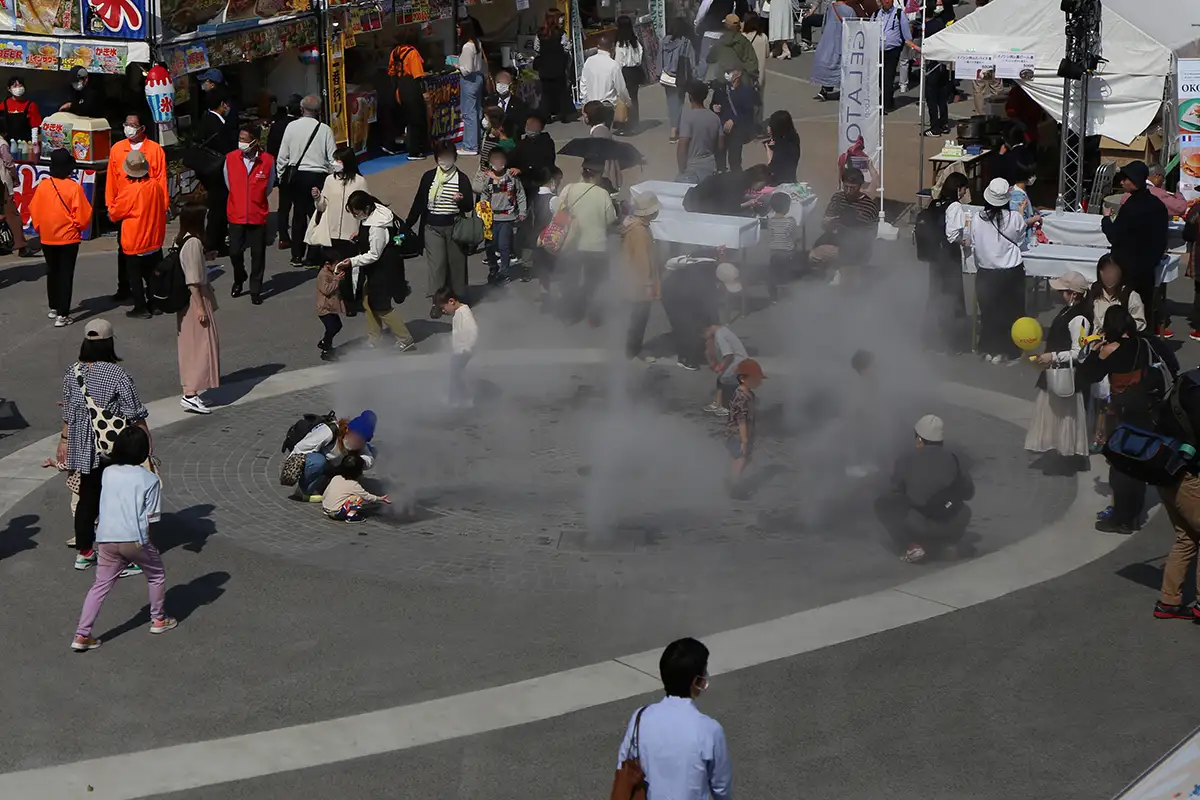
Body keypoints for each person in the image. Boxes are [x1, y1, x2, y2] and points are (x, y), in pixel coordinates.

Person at [70, 426, 175, 652]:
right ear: (144, 451)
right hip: (134, 539)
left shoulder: (108, 473)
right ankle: (158, 619)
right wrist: (149, 543)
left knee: (100, 586)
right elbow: (152, 517)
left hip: (106, 539)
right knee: (156, 575)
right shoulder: (149, 480)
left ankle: (82, 634)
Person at [58, 319, 151, 570]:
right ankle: (124, 557)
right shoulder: (118, 374)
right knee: (117, 499)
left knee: (87, 498)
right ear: (109, 343)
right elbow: (134, 412)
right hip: (112, 447)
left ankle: (85, 552)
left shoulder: (72, 372)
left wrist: (64, 440)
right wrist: (145, 444)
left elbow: (68, 412)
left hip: (82, 446)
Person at [1079, 305, 1178, 537]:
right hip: (1150, 412)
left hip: (1123, 415)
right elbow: (1172, 365)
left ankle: (1120, 518)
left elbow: (1085, 377)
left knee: (1121, 467)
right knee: (1139, 464)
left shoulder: (1111, 350)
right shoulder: (1149, 342)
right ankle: (1133, 516)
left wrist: (1096, 353)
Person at [615, 637, 731, 800]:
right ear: (696, 681)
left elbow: (623, 763)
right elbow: (721, 788)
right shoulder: (710, 730)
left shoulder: (640, 717)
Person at [876, 415, 975, 563]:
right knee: (962, 508)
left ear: (919, 440)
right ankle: (949, 544)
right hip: (954, 522)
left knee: (882, 504)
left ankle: (912, 546)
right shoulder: (954, 459)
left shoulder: (905, 459)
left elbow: (893, 493)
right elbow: (968, 492)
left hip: (920, 525)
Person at [1024, 270, 1092, 460]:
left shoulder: (1080, 319)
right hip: (1056, 374)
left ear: (1074, 294)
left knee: (1065, 417)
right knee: (1054, 413)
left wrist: (1052, 356)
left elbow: (1079, 353)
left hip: (1067, 377)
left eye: (1063, 291)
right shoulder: (1068, 311)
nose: (1059, 294)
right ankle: (1056, 450)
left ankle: (1066, 454)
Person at [338, 191, 416, 351]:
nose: (355, 216)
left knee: (381, 306)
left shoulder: (376, 226)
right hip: (382, 267)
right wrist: (360, 237)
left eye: (357, 212)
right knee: (368, 301)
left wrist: (352, 262)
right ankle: (375, 337)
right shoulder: (378, 212)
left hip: (383, 269)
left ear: (366, 208)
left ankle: (405, 338)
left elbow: (374, 254)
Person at [406, 143, 475, 315]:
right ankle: (438, 302)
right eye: (441, 156)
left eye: (448, 156)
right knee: (437, 266)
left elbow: (468, 207)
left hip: (455, 227)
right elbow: (419, 202)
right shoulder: (429, 177)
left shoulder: (462, 178)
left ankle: (458, 298)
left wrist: (461, 200)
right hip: (432, 228)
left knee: (456, 264)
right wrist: (407, 224)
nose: (445, 160)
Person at [107, 112, 167, 304]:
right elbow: (111, 181)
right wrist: (111, 206)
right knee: (124, 253)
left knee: (153, 254)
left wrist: (161, 207)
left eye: (133, 124)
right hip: (125, 210)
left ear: (142, 128)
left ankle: (155, 291)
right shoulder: (117, 149)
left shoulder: (155, 150)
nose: (129, 128)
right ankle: (124, 288)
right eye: (126, 123)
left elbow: (161, 181)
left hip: (148, 209)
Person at [971, 178, 1033, 363]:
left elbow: (974, 240)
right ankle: (1008, 350)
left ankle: (989, 348)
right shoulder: (1014, 218)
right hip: (1010, 272)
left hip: (986, 272)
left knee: (989, 312)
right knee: (1011, 313)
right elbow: (1021, 239)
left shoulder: (977, 218)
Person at [166, 202, 219, 415]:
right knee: (201, 347)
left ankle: (190, 390)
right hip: (195, 300)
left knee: (191, 347)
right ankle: (191, 394)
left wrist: (206, 258)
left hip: (185, 301)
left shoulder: (182, 239)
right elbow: (193, 280)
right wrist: (200, 308)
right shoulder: (194, 242)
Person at [1103, 160, 1169, 330]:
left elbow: (1115, 236)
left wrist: (1106, 220)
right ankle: (1144, 343)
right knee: (1144, 307)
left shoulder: (1130, 207)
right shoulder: (1158, 205)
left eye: (1125, 179)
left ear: (1134, 181)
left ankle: (1125, 344)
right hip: (1147, 268)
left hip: (1126, 267)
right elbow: (1162, 238)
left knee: (1125, 307)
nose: (1122, 182)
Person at [29, 149, 92, 327]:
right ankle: (63, 314)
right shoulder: (74, 188)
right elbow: (83, 215)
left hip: (47, 237)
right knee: (66, 274)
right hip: (68, 237)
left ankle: (54, 307)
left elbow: (34, 209)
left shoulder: (43, 185)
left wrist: (40, 228)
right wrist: (77, 227)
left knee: (52, 272)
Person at [277, 95, 336, 267]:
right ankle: (313, 254)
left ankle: (296, 255)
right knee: (317, 215)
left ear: (302, 109)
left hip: (297, 175)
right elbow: (332, 158)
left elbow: (283, 156)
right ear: (318, 111)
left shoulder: (291, 127)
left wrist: (282, 176)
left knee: (298, 215)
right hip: (318, 175)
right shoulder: (324, 129)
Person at [558, 159, 617, 324]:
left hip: (572, 244)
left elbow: (558, 213)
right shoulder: (602, 193)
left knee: (571, 279)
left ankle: (570, 315)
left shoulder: (569, 189)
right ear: (598, 174)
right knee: (596, 282)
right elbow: (610, 219)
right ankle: (593, 316)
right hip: (596, 245)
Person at [314, 146, 370, 312]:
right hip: (331, 233)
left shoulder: (360, 181)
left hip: (350, 234)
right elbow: (322, 206)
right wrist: (317, 197)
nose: (335, 164)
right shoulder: (329, 180)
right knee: (332, 268)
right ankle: (334, 302)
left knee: (350, 270)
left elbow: (367, 207)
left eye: (338, 160)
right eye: (334, 160)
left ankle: (351, 301)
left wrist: (361, 230)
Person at [224, 126, 275, 305]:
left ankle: (255, 289)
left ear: (255, 141)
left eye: (245, 139)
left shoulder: (268, 161)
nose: (242, 143)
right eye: (240, 138)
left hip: (257, 214)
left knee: (258, 254)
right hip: (236, 213)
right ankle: (240, 277)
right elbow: (228, 183)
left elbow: (268, 186)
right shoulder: (230, 158)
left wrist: (255, 199)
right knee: (234, 252)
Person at [922, 172, 969, 352]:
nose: (965, 193)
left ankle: (931, 337)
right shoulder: (955, 206)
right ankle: (953, 341)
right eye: (964, 189)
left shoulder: (935, 203)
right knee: (953, 296)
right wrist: (964, 241)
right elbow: (952, 235)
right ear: (958, 189)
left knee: (935, 295)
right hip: (949, 258)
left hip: (935, 257)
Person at [808, 165, 878, 281]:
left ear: (860, 186)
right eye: (846, 187)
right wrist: (827, 222)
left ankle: (844, 278)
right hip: (835, 237)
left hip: (856, 245)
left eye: (852, 187)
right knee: (814, 256)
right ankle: (823, 282)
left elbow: (870, 235)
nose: (849, 191)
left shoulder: (869, 206)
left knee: (844, 264)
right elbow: (824, 225)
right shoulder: (838, 198)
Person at [289, 411, 377, 501]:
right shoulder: (329, 432)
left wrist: (359, 461)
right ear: (348, 430)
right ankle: (304, 490)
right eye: (355, 437)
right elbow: (300, 448)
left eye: (361, 440)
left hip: (336, 468)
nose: (356, 441)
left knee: (373, 450)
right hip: (321, 465)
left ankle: (335, 484)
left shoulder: (361, 442)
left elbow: (369, 458)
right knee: (317, 461)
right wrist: (291, 470)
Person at [192, 93, 238, 256]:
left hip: (209, 168)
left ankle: (215, 241)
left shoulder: (205, 119)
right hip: (216, 170)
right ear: (222, 104)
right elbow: (225, 146)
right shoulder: (216, 123)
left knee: (217, 207)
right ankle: (213, 242)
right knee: (218, 208)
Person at [619, 192, 661, 360]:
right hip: (639, 283)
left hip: (631, 279)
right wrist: (647, 284)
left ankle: (632, 349)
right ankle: (633, 351)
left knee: (635, 318)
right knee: (639, 318)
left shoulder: (636, 226)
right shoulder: (640, 231)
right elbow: (642, 260)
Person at [661, 254, 722, 370]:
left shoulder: (699, 267)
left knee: (682, 325)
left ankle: (687, 354)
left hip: (670, 290)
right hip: (677, 295)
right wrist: (715, 323)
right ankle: (689, 359)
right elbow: (710, 308)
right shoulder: (708, 283)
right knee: (691, 326)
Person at [480, 147, 526, 285]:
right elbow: (483, 193)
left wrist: (522, 211)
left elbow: (520, 194)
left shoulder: (511, 177)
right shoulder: (487, 178)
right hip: (491, 218)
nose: (498, 162)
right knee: (490, 246)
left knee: (504, 246)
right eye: (495, 159)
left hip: (507, 218)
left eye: (500, 159)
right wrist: (483, 203)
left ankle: (504, 272)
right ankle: (493, 269)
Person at [387, 36, 431, 159]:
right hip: (411, 87)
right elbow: (418, 76)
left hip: (399, 87)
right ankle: (415, 151)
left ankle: (403, 146)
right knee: (416, 120)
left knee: (407, 119)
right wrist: (424, 93)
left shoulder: (395, 52)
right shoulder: (412, 53)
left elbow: (391, 73)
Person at [267, 95, 301, 251]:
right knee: (302, 205)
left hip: (284, 169)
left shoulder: (278, 126)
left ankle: (284, 237)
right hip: (301, 169)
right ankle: (302, 236)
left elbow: (271, 149)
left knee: (284, 206)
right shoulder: (302, 126)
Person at [873, 0, 919, 113]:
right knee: (879, 78)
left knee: (888, 78)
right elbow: (869, 29)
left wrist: (915, 48)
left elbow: (907, 36)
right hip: (878, 51)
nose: (887, 1)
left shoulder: (899, 14)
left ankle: (884, 105)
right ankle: (888, 100)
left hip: (892, 51)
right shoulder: (876, 14)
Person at [726, 358, 764, 495]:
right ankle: (734, 486)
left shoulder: (749, 394)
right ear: (743, 379)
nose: (759, 382)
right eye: (756, 379)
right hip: (739, 434)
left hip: (744, 433)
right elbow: (741, 420)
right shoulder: (741, 397)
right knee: (741, 458)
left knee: (742, 458)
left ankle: (732, 480)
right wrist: (744, 440)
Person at [436, 288, 479, 407]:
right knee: (454, 374)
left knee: (456, 375)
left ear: (451, 301)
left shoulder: (464, 313)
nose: (444, 310)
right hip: (459, 350)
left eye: (443, 307)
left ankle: (463, 399)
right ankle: (455, 398)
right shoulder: (459, 312)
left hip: (463, 351)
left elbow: (473, 331)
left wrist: (467, 347)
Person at [812, 1, 860, 101]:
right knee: (843, 65)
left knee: (831, 63)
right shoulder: (849, 10)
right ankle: (846, 90)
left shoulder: (831, 6)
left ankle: (825, 89)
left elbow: (825, 22)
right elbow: (854, 26)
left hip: (829, 38)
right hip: (842, 39)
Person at [676, 81, 723, 184]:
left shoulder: (687, 117)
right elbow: (720, 146)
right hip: (711, 167)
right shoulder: (715, 118)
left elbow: (682, 146)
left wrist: (681, 171)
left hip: (692, 170)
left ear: (690, 97)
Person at [711, 67, 757, 172]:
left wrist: (734, 120)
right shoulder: (721, 90)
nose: (728, 74)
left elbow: (749, 114)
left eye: (730, 71)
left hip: (737, 131)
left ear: (739, 73)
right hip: (721, 130)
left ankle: (736, 181)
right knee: (719, 157)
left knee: (735, 160)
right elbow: (713, 104)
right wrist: (714, 107)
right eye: (726, 72)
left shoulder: (746, 92)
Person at [322, 454, 390, 523]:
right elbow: (367, 497)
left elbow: (326, 493)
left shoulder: (336, 478)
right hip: (337, 513)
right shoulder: (354, 485)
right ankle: (351, 516)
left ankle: (330, 509)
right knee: (357, 498)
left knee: (346, 496)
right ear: (358, 471)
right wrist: (380, 498)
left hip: (326, 508)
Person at [660, 18, 697, 142]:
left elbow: (659, 59)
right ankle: (674, 130)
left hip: (666, 76)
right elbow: (691, 61)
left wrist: (660, 72)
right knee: (679, 103)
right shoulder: (686, 42)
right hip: (680, 77)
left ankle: (674, 128)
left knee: (671, 103)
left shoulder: (664, 41)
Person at [534, 9, 574, 124]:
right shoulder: (561, 33)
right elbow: (567, 48)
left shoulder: (540, 34)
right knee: (561, 92)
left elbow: (536, 49)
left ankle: (546, 115)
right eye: (560, 17)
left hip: (545, 68)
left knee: (546, 93)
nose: (562, 20)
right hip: (558, 67)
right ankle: (564, 114)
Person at [694, 0, 752, 79]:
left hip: (709, 32)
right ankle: (717, 83)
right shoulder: (732, 2)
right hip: (722, 33)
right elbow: (732, 17)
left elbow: (702, 12)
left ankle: (699, 81)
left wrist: (696, 24)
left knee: (704, 59)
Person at [1089, 254, 1146, 333]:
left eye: (1113, 271)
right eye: (1104, 271)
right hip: (1094, 340)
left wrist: (1123, 327)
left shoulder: (1131, 296)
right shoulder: (1092, 292)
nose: (1108, 275)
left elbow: (1140, 323)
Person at [580, 35, 630, 121]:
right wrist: (627, 101)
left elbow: (583, 83)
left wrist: (584, 101)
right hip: (607, 105)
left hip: (591, 104)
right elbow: (621, 88)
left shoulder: (589, 61)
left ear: (598, 46)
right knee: (604, 128)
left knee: (594, 127)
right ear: (611, 47)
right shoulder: (613, 64)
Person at [705, 322, 748, 416]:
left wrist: (721, 367)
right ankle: (718, 404)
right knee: (721, 378)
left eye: (705, 333)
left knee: (726, 380)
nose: (705, 336)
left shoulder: (720, 334)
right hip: (739, 362)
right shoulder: (722, 332)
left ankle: (729, 407)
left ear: (709, 329)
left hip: (740, 364)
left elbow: (728, 355)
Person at [457, 18, 486, 156]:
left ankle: (470, 146)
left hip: (469, 80)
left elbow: (466, 69)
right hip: (478, 78)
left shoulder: (467, 46)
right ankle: (478, 142)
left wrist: (455, 64)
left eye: (459, 27)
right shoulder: (477, 43)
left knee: (469, 113)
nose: (457, 30)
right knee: (477, 111)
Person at [766, 192, 800, 301]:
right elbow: (792, 236)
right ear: (787, 207)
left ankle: (773, 297)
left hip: (774, 252)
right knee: (786, 272)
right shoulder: (790, 221)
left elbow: (771, 236)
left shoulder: (770, 222)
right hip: (787, 253)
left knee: (773, 273)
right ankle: (786, 293)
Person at [582, 101, 623, 191]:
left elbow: (599, 158)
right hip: (606, 177)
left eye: (584, 115)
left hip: (605, 179)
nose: (583, 118)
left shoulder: (599, 133)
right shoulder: (601, 130)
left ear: (589, 117)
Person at [707, 14, 759, 83]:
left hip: (723, 80)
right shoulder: (744, 41)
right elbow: (752, 64)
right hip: (741, 80)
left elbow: (710, 59)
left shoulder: (720, 42)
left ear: (725, 26)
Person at [614, 16, 644, 132]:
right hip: (635, 71)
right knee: (634, 97)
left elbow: (618, 62)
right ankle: (634, 122)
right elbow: (640, 56)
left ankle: (625, 124)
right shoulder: (635, 41)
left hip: (625, 72)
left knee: (623, 97)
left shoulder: (620, 44)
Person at [483, 67, 530, 139]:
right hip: (491, 142)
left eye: (504, 84)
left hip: (510, 141)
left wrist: (505, 130)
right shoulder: (490, 101)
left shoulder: (519, 104)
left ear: (510, 85)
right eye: (499, 83)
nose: (501, 86)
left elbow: (522, 126)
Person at [1007, 164, 1041, 251]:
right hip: (1023, 240)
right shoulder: (1017, 197)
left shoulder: (1018, 191)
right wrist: (1035, 219)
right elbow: (1018, 221)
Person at [316, 261, 346, 361]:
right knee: (332, 328)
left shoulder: (331, 272)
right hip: (324, 307)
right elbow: (326, 290)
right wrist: (336, 279)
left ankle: (325, 343)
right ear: (327, 264)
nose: (336, 266)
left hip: (331, 307)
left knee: (337, 326)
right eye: (334, 264)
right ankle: (326, 350)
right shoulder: (322, 275)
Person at [764, 109, 800, 185]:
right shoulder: (793, 139)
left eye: (770, 126)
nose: (768, 128)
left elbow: (772, 169)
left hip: (780, 185)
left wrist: (769, 151)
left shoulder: (782, 147)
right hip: (791, 180)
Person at [3, 76, 41, 144]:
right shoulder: (4, 104)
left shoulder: (31, 105)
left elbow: (35, 125)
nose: (18, 88)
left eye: (20, 86)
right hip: (8, 142)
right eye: (15, 86)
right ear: (9, 89)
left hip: (26, 142)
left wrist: (34, 142)